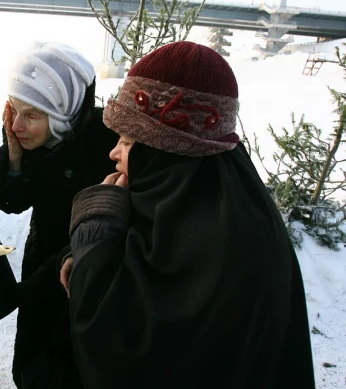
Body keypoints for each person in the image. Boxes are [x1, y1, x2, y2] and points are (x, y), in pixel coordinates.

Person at [61, 41, 316, 389]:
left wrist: (97, 225)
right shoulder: (211, 199)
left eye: (128, 141)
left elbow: (113, 339)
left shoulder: (219, 246)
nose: (114, 152)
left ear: (166, 147)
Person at [0, 42, 119, 388]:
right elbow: (9, 201)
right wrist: (14, 159)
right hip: (42, 261)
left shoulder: (109, 144)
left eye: (31, 114)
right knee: (34, 367)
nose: (16, 124)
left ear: (63, 112)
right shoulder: (33, 138)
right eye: (14, 110)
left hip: (87, 278)